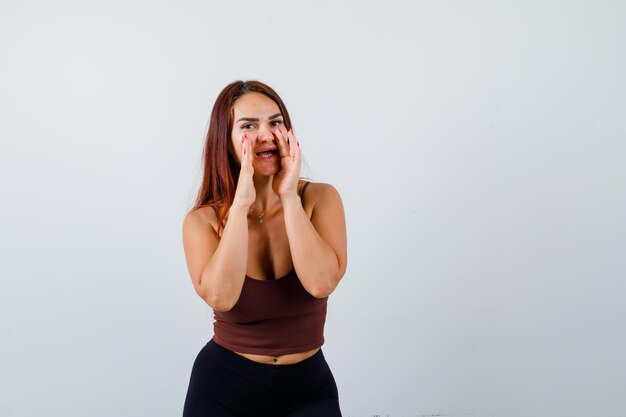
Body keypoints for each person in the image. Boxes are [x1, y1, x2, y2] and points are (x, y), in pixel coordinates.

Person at [181, 80, 347, 416]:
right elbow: (221, 297)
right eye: (248, 126)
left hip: (308, 390)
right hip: (222, 388)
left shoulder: (319, 200)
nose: (266, 134)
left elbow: (321, 283)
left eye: (275, 122)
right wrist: (241, 204)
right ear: (224, 141)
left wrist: (288, 196)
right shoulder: (203, 222)